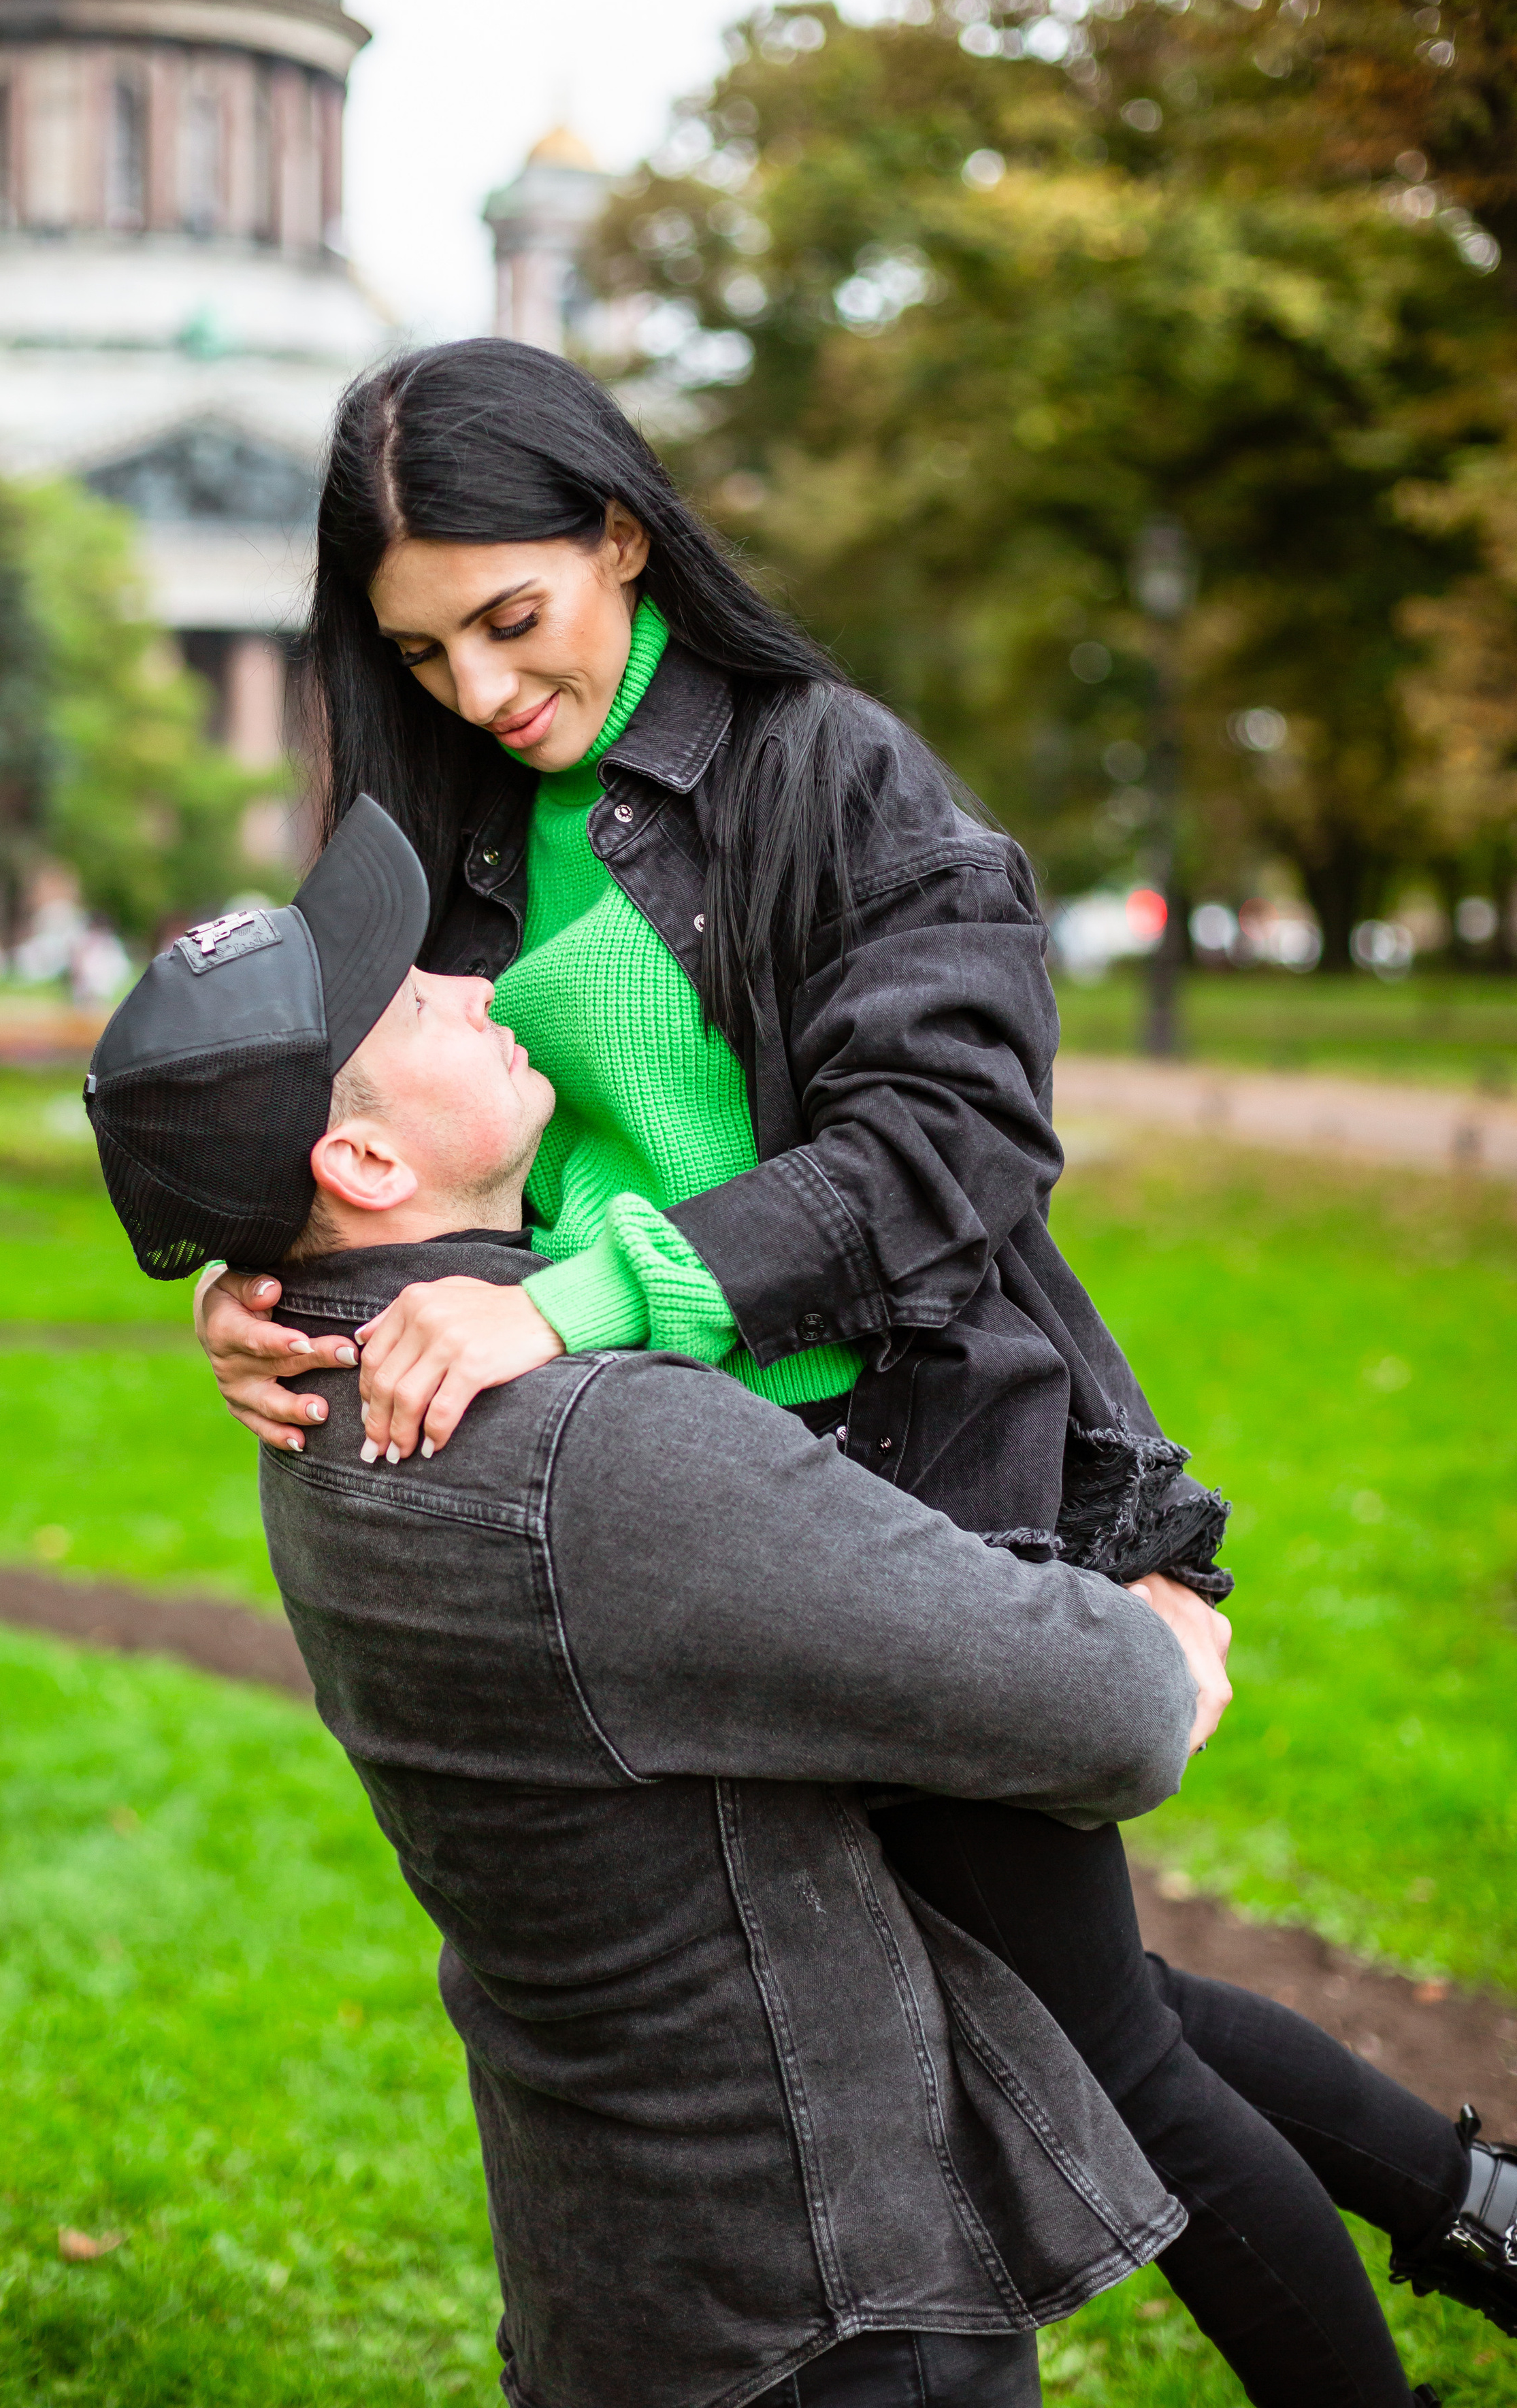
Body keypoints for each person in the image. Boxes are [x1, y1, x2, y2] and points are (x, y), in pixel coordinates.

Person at [195, 340, 1516, 2399]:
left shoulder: (830, 775)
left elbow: (950, 1145)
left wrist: (583, 1298)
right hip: (663, 1535)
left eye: (510, 620)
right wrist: (270, 1280)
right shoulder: (435, 820)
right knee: (1068, 2000)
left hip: (886, 1494)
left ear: (622, 536)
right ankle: (1481, 2214)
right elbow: (336, 1108)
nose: (474, 690)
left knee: (1105, 2061)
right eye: (422, 647)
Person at [86, 794, 1235, 2408]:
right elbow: (1106, 1720)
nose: (483, 990)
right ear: (358, 1155)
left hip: (616, 2284)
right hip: (822, 2295)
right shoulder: (593, 1450)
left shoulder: (324, 1421)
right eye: (419, 1001)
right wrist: (1166, 1632)